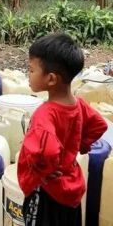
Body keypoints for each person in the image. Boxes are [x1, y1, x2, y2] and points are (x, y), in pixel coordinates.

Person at [18, 33, 107, 226]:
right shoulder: (79, 105)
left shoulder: (44, 115)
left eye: (31, 70)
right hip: (72, 187)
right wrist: (79, 147)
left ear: (51, 79)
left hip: (48, 193)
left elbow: (46, 150)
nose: (28, 75)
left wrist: (44, 169)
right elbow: (100, 124)